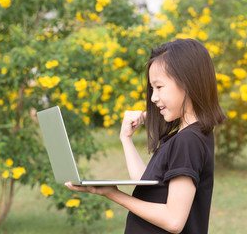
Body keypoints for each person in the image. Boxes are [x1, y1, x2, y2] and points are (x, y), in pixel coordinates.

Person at [65, 38, 226, 234]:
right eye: (152, 89)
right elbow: (148, 185)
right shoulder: (184, 136)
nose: (153, 97)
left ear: (188, 83)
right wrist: (126, 138)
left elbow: (174, 220)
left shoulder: (188, 141)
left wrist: (113, 194)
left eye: (159, 87)